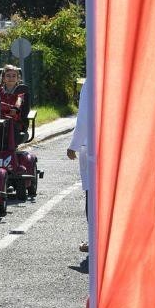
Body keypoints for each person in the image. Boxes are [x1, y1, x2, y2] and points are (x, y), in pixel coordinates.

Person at [68, 80, 92, 251]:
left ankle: (94, 238)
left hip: (93, 148)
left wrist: (73, 145)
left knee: (93, 194)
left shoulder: (92, 81)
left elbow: (84, 117)